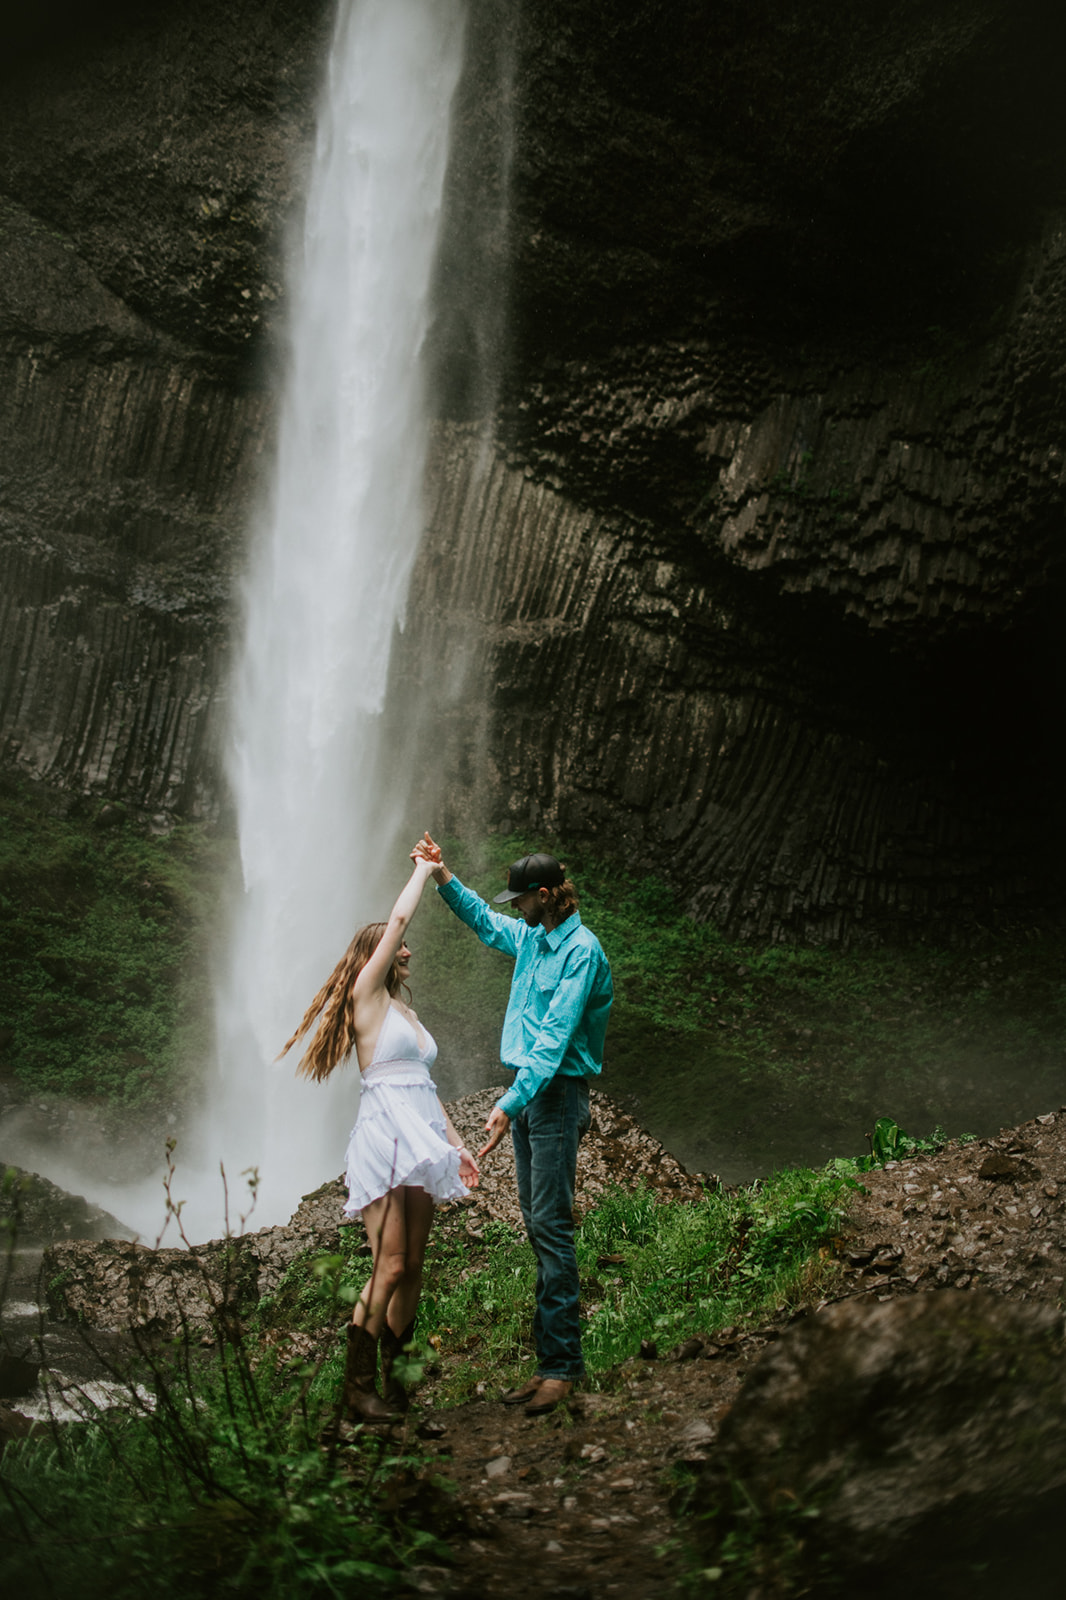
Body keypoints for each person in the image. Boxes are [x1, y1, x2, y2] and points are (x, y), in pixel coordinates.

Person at [412, 833, 613, 1416]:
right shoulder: (534, 940)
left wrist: (511, 1102)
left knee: (550, 1226)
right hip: (529, 1096)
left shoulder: (581, 953)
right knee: (535, 1222)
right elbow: (482, 921)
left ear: (547, 895)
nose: (513, 910)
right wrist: (442, 875)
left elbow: (553, 1043)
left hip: (551, 1096)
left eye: (521, 901)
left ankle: (562, 1368)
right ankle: (550, 1361)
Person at [278, 853, 479, 1423]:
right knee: (387, 1265)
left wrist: (456, 1143)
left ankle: (396, 1390)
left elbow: (424, 1084)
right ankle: (355, 1388)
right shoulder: (366, 1000)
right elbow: (396, 925)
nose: (407, 951)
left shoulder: (404, 1012)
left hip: (419, 1140)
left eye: (404, 949)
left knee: (413, 1265)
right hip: (384, 1138)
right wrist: (423, 869)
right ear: (374, 958)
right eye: (397, 948)